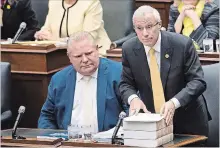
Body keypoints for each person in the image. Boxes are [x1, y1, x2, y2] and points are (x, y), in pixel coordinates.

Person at [119, 5, 211, 136]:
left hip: (188, 123)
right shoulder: (129, 49)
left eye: (149, 26)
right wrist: (133, 99)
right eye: (139, 28)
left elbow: (198, 82)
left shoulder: (182, 45)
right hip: (153, 125)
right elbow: (125, 84)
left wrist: (174, 102)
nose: (145, 33)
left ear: (159, 24)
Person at [38, 31, 127, 133]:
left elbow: (131, 112)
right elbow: (47, 117)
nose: (85, 60)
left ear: (97, 50)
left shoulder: (117, 73)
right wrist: (52, 138)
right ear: (69, 57)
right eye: (78, 56)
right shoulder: (59, 80)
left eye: (89, 53)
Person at [34, 0, 111, 56]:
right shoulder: (54, 2)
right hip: (58, 54)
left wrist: (54, 39)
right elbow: (47, 28)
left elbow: (87, 38)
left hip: (90, 53)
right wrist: (41, 35)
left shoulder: (91, 2)